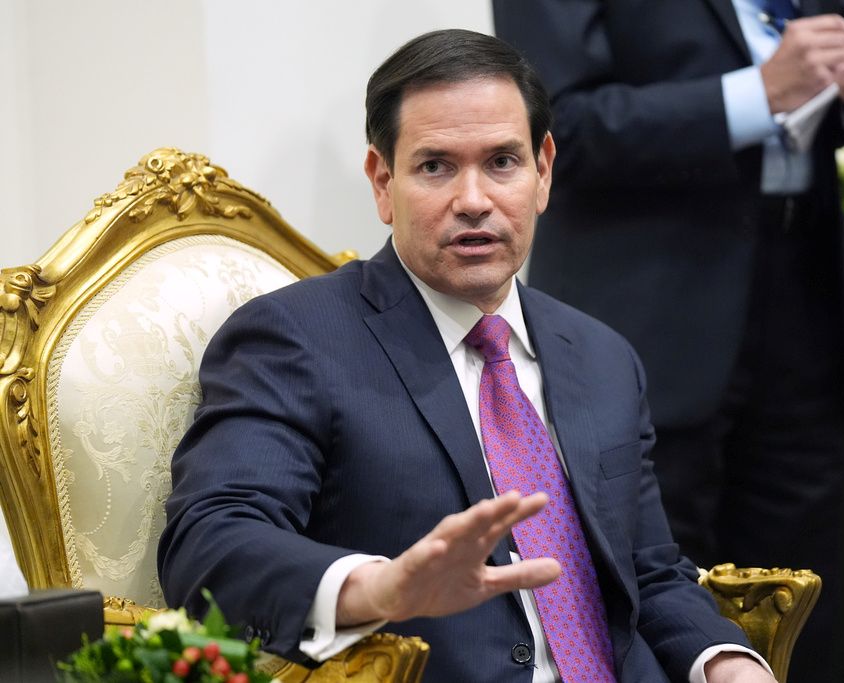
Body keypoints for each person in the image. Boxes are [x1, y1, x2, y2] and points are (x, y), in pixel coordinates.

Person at [159, 28, 780, 683]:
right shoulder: (297, 339)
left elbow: (649, 571)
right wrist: (378, 588)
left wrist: (727, 662)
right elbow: (210, 543)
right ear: (382, 181)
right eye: (436, 166)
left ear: (543, 170)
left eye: (502, 162)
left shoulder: (603, 356)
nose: (475, 200)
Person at [492, 2, 844, 679]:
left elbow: (833, 79)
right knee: (644, 605)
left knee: (799, 603)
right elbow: (559, 125)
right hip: (646, 321)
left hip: (802, 307)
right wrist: (759, 93)